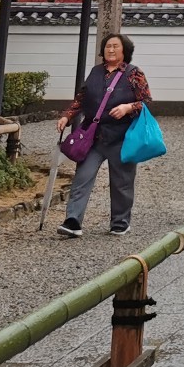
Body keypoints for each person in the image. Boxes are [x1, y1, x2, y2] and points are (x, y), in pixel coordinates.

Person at [55, 33, 149, 238]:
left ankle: (120, 222)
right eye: (107, 46)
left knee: (122, 182)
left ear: (125, 50)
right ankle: (73, 221)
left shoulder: (135, 74)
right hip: (93, 136)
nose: (111, 50)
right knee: (82, 177)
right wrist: (67, 117)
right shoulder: (96, 72)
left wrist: (127, 107)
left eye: (115, 46)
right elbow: (81, 99)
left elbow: (146, 102)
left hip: (122, 135)